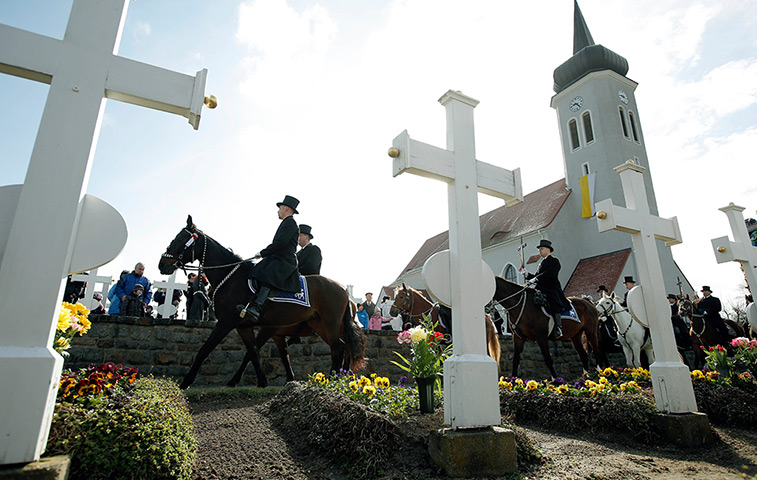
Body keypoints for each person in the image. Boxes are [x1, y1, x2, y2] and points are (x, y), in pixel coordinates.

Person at [238, 195, 301, 322]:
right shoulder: (286, 223)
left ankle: (257, 308)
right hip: (277, 257)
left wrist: (263, 253)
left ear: (287, 209)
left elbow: (280, 243)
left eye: (280, 208)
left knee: (267, 273)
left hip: (285, 260)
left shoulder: (291, 223)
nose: (278, 211)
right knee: (257, 269)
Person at [520, 239, 570, 338]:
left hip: (551, 288)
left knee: (553, 301)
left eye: (541, 249)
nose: (540, 251)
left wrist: (535, 279)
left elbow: (548, 274)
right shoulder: (541, 263)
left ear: (548, 249)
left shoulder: (554, 261)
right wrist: (527, 275)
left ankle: (558, 327)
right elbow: (537, 276)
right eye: (539, 249)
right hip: (541, 288)